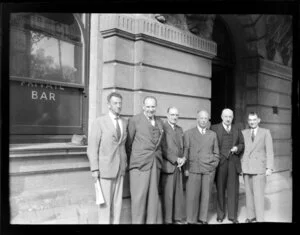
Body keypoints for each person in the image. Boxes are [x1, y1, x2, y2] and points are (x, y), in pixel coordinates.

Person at [87, 92, 128, 224]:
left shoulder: (124, 122)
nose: (118, 106)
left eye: (120, 103)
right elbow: (92, 147)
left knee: (117, 204)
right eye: (115, 103)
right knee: (105, 205)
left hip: (120, 168)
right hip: (105, 169)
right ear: (108, 105)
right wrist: (94, 169)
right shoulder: (100, 122)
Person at [126, 96, 164, 224]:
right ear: (143, 106)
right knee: (139, 197)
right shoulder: (134, 120)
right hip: (139, 164)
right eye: (148, 106)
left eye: (153, 106)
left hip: (155, 163)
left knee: (153, 197)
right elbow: (128, 144)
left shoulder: (159, 121)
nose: (150, 109)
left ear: (156, 107)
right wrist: (137, 157)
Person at [183, 110, 220, 224]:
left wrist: (212, 166)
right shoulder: (189, 133)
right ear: (197, 119)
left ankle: (203, 218)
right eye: (201, 118)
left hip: (208, 170)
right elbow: (185, 152)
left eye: (206, 118)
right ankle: (191, 219)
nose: (204, 120)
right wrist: (186, 169)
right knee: (192, 196)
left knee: (206, 195)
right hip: (193, 168)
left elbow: (216, 154)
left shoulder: (212, 134)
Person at [211, 109, 244, 224]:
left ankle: (232, 216)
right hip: (220, 163)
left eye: (230, 116)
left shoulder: (237, 128)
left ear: (233, 117)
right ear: (221, 116)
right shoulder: (214, 128)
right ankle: (220, 215)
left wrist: (237, 148)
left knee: (233, 190)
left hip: (233, 163)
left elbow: (242, 144)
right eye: (226, 116)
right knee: (220, 189)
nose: (228, 118)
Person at [241, 112, 274, 223]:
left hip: (259, 168)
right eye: (250, 120)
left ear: (258, 120)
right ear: (248, 121)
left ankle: (260, 219)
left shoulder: (265, 132)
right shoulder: (243, 133)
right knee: (249, 194)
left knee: (258, 196)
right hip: (246, 168)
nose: (252, 122)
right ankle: (251, 217)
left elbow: (270, 151)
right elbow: (242, 150)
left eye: (254, 119)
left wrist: (269, 167)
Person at [161, 107, 186, 224]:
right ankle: (167, 220)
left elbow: (185, 146)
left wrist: (184, 158)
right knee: (168, 195)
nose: (174, 117)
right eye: (172, 115)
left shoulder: (180, 129)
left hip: (179, 166)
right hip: (169, 166)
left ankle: (177, 218)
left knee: (178, 194)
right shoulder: (163, 128)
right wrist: (175, 159)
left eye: (176, 115)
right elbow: (163, 148)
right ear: (167, 115)